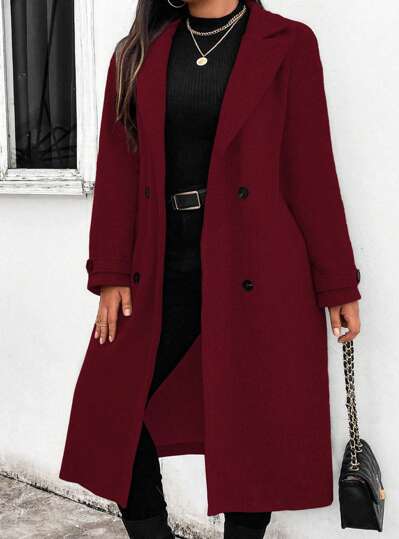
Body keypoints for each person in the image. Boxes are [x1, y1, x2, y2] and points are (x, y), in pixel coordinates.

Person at [59, 1, 362, 537]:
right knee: (110, 407)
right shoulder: (137, 53)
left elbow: (310, 169)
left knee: (253, 421)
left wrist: (337, 282)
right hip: (160, 263)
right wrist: (110, 271)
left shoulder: (288, 44)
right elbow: (119, 168)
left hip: (261, 266)